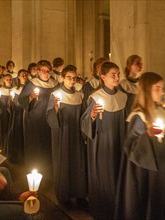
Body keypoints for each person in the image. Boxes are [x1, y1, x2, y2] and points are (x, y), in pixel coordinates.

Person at [114, 72, 165, 220]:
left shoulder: (161, 112)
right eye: (157, 88)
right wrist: (147, 135)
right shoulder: (138, 117)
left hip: (164, 169)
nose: (162, 92)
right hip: (146, 174)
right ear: (146, 90)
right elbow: (131, 147)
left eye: (162, 88)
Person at [81, 61, 127, 220]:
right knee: (104, 176)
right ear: (103, 77)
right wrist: (92, 115)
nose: (117, 77)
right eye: (113, 75)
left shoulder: (123, 96)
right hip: (101, 145)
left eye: (118, 74)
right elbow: (84, 122)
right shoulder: (96, 97)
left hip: (118, 142)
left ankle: (118, 207)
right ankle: (103, 210)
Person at [46, 65, 88, 204]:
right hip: (63, 134)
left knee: (79, 162)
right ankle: (64, 194)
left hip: (77, 134)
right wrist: (56, 109)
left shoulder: (80, 95)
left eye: (74, 78)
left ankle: (80, 193)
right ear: (62, 78)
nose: (72, 80)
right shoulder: (56, 95)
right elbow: (50, 116)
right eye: (68, 77)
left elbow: (83, 116)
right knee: (64, 162)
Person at [18, 60, 58, 178]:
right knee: (36, 143)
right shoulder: (32, 83)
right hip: (34, 118)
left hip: (49, 118)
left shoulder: (55, 84)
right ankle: (35, 168)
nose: (46, 73)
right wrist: (30, 97)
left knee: (48, 143)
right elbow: (21, 100)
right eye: (43, 71)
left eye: (48, 71)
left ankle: (49, 169)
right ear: (38, 71)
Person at [6, 69, 28, 164]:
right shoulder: (15, 90)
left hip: (28, 115)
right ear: (18, 77)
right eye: (22, 75)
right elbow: (10, 107)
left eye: (26, 75)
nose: (24, 77)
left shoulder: (30, 89)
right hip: (18, 116)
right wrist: (11, 102)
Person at [0, 74, 13, 148]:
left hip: (13, 112)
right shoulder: (0, 90)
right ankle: (4, 143)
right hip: (4, 111)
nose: (9, 81)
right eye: (7, 79)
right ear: (4, 80)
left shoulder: (14, 89)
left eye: (10, 79)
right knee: (4, 127)